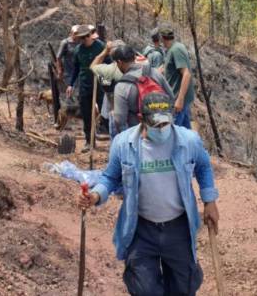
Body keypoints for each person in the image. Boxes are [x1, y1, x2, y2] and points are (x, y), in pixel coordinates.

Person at [77, 94, 219, 296]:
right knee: (144, 289)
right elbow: (110, 177)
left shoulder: (188, 141)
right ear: (141, 118)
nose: (162, 130)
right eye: (156, 124)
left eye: (165, 123)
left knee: (184, 287)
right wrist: (95, 195)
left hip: (178, 227)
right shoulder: (123, 144)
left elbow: (204, 166)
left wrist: (209, 201)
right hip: (141, 228)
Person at [110, 43, 175, 136]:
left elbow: (120, 120)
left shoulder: (121, 86)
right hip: (163, 129)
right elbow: (171, 98)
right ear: (134, 57)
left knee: (113, 116)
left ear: (119, 62)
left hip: (140, 135)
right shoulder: (154, 72)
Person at [67, 24, 107, 152]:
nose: (83, 40)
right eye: (81, 38)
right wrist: (71, 84)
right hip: (84, 84)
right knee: (86, 114)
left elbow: (110, 63)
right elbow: (76, 69)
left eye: (85, 37)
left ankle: (108, 137)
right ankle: (89, 141)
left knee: (104, 112)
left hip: (100, 84)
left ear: (90, 36)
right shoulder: (78, 50)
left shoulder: (100, 47)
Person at [159, 24, 195, 129]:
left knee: (173, 132)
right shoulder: (175, 47)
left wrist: (180, 99)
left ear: (162, 38)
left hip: (177, 100)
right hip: (180, 99)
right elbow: (171, 66)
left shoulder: (176, 50)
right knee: (185, 132)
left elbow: (186, 74)